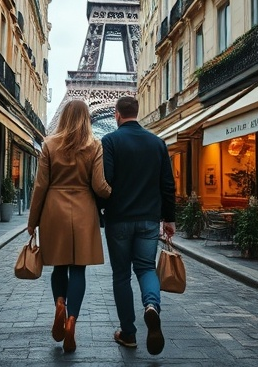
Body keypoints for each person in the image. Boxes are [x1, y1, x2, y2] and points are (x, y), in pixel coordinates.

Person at [27, 99, 111, 353]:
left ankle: (60, 304)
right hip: (84, 211)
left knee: (58, 268)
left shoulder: (50, 144)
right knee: (78, 270)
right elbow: (99, 186)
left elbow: (40, 186)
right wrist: (114, 193)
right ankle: (72, 319)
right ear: (87, 118)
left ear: (63, 116)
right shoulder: (94, 145)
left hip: (54, 211)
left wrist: (32, 222)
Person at [101, 96, 175, 355]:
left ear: (117, 114)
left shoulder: (109, 141)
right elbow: (167, 184)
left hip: (119, 219)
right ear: (137, 112)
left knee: (121, 276)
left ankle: (129, 334)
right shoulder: (158, 143)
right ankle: (152, 306)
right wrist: (170, 219)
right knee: (146, 269)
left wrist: (103, 209)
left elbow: (105, 181)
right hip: (148, 220)